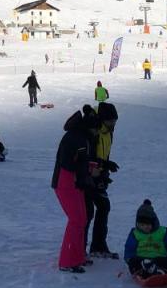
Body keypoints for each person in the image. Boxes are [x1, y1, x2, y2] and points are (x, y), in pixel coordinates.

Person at [51, 108, 94, 273]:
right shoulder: (77, 138)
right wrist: (84, 172)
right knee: (76, 220)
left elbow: (79, 161)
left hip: (74, 182)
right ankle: (67, 262)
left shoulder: (79, 137)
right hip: (66, 182)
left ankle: (78, 257)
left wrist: (87, 169)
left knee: (82, 219)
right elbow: (67, 162)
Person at [85, 102, 120, 259]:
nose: (113, 124)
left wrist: (105, 172)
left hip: (99, 174)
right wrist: (104, 164)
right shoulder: (94, 131)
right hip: (88, 176)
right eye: (110, 121)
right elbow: (89, 156)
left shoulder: (108, 132)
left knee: (103, 207)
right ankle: (81, 248)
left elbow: (104, 154)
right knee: (88, 212)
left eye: (115, 121)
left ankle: (98, 246)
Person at [124, 200, 167, 278]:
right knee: (134, 262)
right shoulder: (135, 233)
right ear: (137, 224)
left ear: (154, 223)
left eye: (148, 224)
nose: (145, 227)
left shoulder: (163, 231)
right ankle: (149, 272)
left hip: (158, 259)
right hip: (142, 260)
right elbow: (130, 248)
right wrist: (129, 259)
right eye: (142, 225)